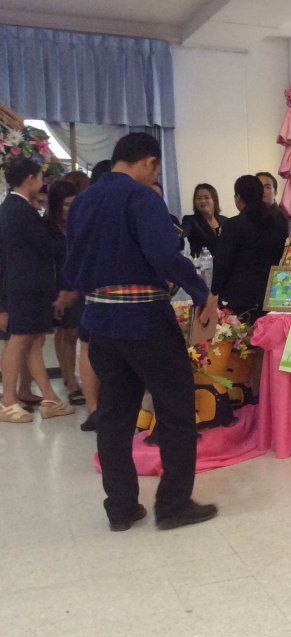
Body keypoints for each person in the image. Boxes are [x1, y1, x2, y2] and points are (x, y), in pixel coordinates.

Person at [63, 132, 218, 531]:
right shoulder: (142, 196)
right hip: (145, 319)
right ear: (149, 162)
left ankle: (121, 507)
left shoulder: (83, 202)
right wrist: (200, 291)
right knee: (176, 411)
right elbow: (164, 254)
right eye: (155, 170)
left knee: (114, 416)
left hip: (100, 322)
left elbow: (72, 264)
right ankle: (173, 505)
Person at [0, 158, 75, 422]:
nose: (43, 183)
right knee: (19, 340)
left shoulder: (15, 208)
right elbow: (46, 247)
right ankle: (8, 401)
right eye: (41, 178)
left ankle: (49, 398)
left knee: (32, 341)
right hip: (25, 286)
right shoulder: (20, 210)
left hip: (26, 285)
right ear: (30, 179)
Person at [212, 175, 289, 322]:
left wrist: (213, 293)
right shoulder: (279, 224)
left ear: (238, 197)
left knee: (240, 337)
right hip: (273, 296)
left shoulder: (233, 225)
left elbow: (222, 263)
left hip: (239, 299)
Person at [45, 179, 86, 406]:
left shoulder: (77, 226)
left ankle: (69, 375)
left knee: (70, 332)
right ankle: (71, 381)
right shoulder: (48, 228)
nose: (71, 209)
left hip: (77, 284)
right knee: (67, 333)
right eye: (67, 204)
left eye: (74, 204)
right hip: (58, 285)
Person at [181, 183, 221, 257]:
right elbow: (182, 232)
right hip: (202, 263)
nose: (202, 201)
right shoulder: (190, 220)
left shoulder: (225, 221)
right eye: (198, 198)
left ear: (214, 200)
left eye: (206, 197)